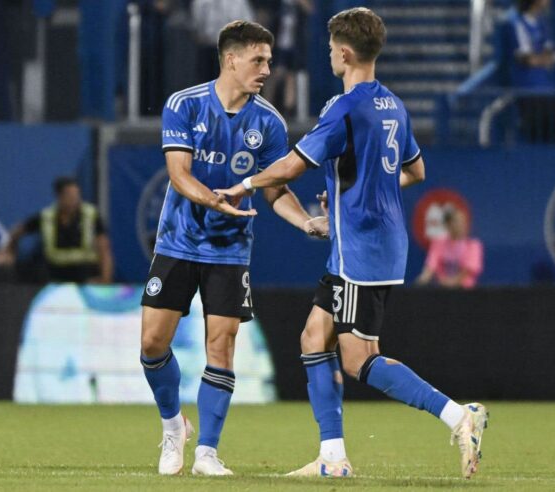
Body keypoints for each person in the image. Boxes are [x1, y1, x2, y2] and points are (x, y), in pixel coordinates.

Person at [215, 7, 488, 479]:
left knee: (360, 359)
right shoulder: (392, 105)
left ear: (343, 53)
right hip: (365, 243)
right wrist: (356, 189)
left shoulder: (344, 107)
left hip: (363, 249)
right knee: (312, 337)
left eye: (328, 51)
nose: (328, 57)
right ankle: (333, 458)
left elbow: (291, 166)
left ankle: (458, 415)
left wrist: (244, 185)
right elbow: (416, 171)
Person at [141, 20, 324, 477]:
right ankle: (172, 426)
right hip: (179, 242)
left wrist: (304, 221)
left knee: (221, 345)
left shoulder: (269, 122)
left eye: (268, 60)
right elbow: (179, 175)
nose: (266, 68)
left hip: (229, 251)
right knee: (151, 343)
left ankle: (206, 453)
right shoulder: (184, 105)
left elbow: (276, 190)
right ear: (231, 59)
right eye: (258, 59)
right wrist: (215, 199)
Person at [5, 177, 113, 283]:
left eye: (77, 195)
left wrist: (105, 278)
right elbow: (18, 231)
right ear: (59, 196)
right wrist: (10, 250)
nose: (75, 200)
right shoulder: (46, 217)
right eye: (70, 196)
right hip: (55, 278)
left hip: (85, 276)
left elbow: (103, 248)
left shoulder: (91, 215)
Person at [502, 0, 555, 142]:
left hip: (548, 90)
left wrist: (539, 59)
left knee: (554, 137)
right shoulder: (515, 22)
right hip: (528, 91)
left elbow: (549, 56)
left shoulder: (543, 22)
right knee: (533, 138)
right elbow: (527, 59)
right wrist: (538, 60)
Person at [416, 208, 484, 289]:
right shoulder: (438, 243)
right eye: (456, 222)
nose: (460, 225)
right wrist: (422, 280)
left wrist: (452, 283)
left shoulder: (473, 245)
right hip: (442, 290)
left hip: (465, 291)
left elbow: (468, 270)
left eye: (463, 222)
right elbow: (431, 266)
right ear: (448, 225)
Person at [191, 0, 255, 83]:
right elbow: (195, 30)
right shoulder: (200, 2)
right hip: (207, 51)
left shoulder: (239, 2)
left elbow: (248, 26)